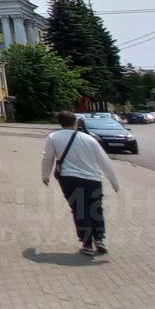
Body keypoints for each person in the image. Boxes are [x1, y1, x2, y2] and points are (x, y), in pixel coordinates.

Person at [42, 110, 121, 256]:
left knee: (80, 210)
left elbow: (47, 158)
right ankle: (99, 239)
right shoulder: (89, 139)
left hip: (70, 179)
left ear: (60, 123)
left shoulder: (53, 137)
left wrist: (45, 175)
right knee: (96, 209)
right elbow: (104, 161)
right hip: (93, 180)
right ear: (76, 122)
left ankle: (87, 245)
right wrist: (115, 183)